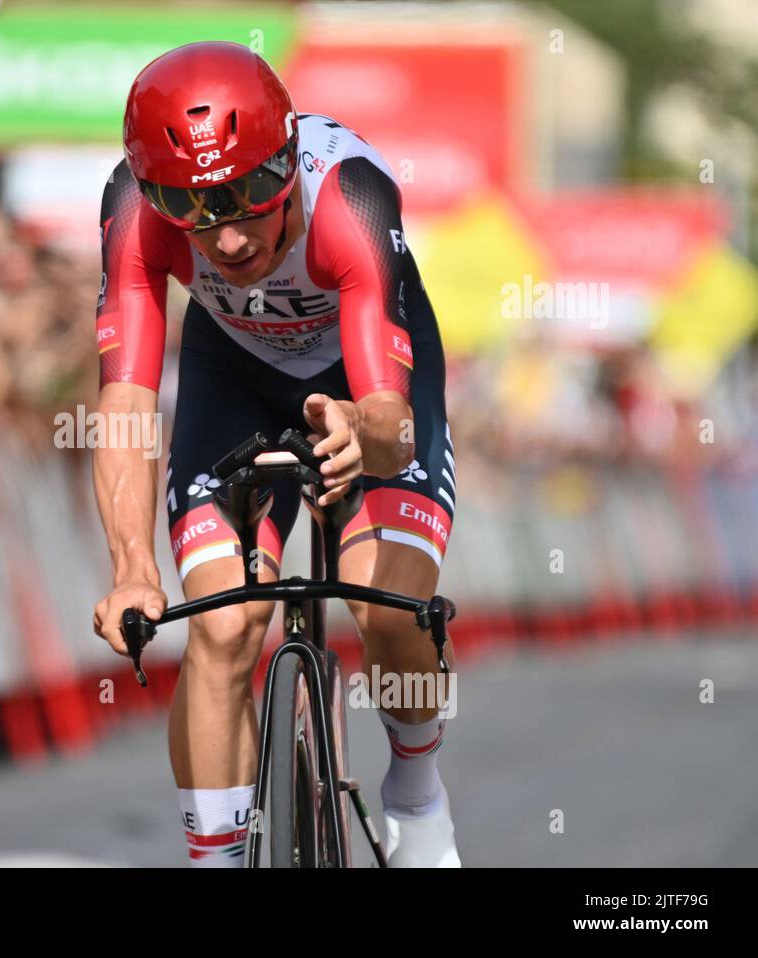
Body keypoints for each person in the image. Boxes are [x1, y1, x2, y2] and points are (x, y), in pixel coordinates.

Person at [91, 42, 461, 867]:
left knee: (389, 612)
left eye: (249, 195)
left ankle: (417, 794)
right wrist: (130, 567)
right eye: (189, 206)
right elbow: (124, 406)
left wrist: (357, 436)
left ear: (289, 162)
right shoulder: (131, 212)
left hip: (366, 389)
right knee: (221, 629)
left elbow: (394, 422)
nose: (224, 238)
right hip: (233, 376)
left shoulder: (352, 196)